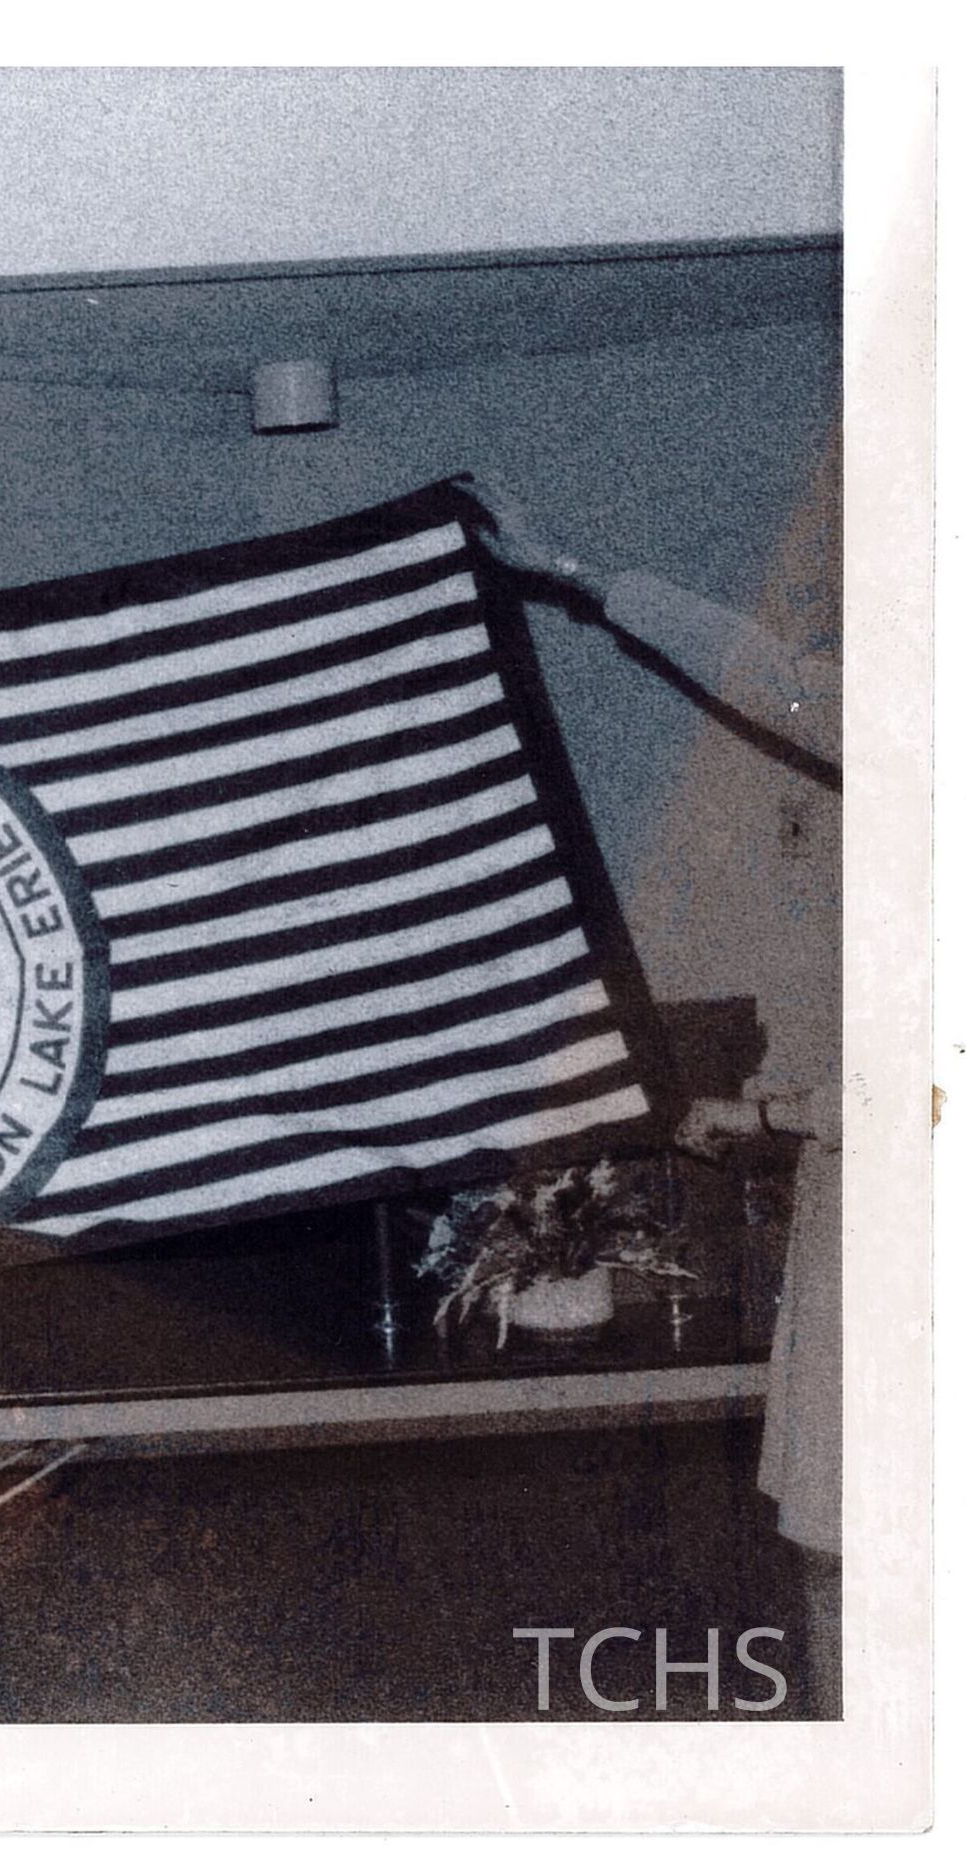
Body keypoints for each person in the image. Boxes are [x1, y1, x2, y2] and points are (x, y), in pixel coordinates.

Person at [462, 476, 842, 1710]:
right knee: (838, 1545)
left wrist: (771, 1115)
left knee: (859, 1552)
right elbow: (767, 675)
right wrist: (577, 572)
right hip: (861, 1227)